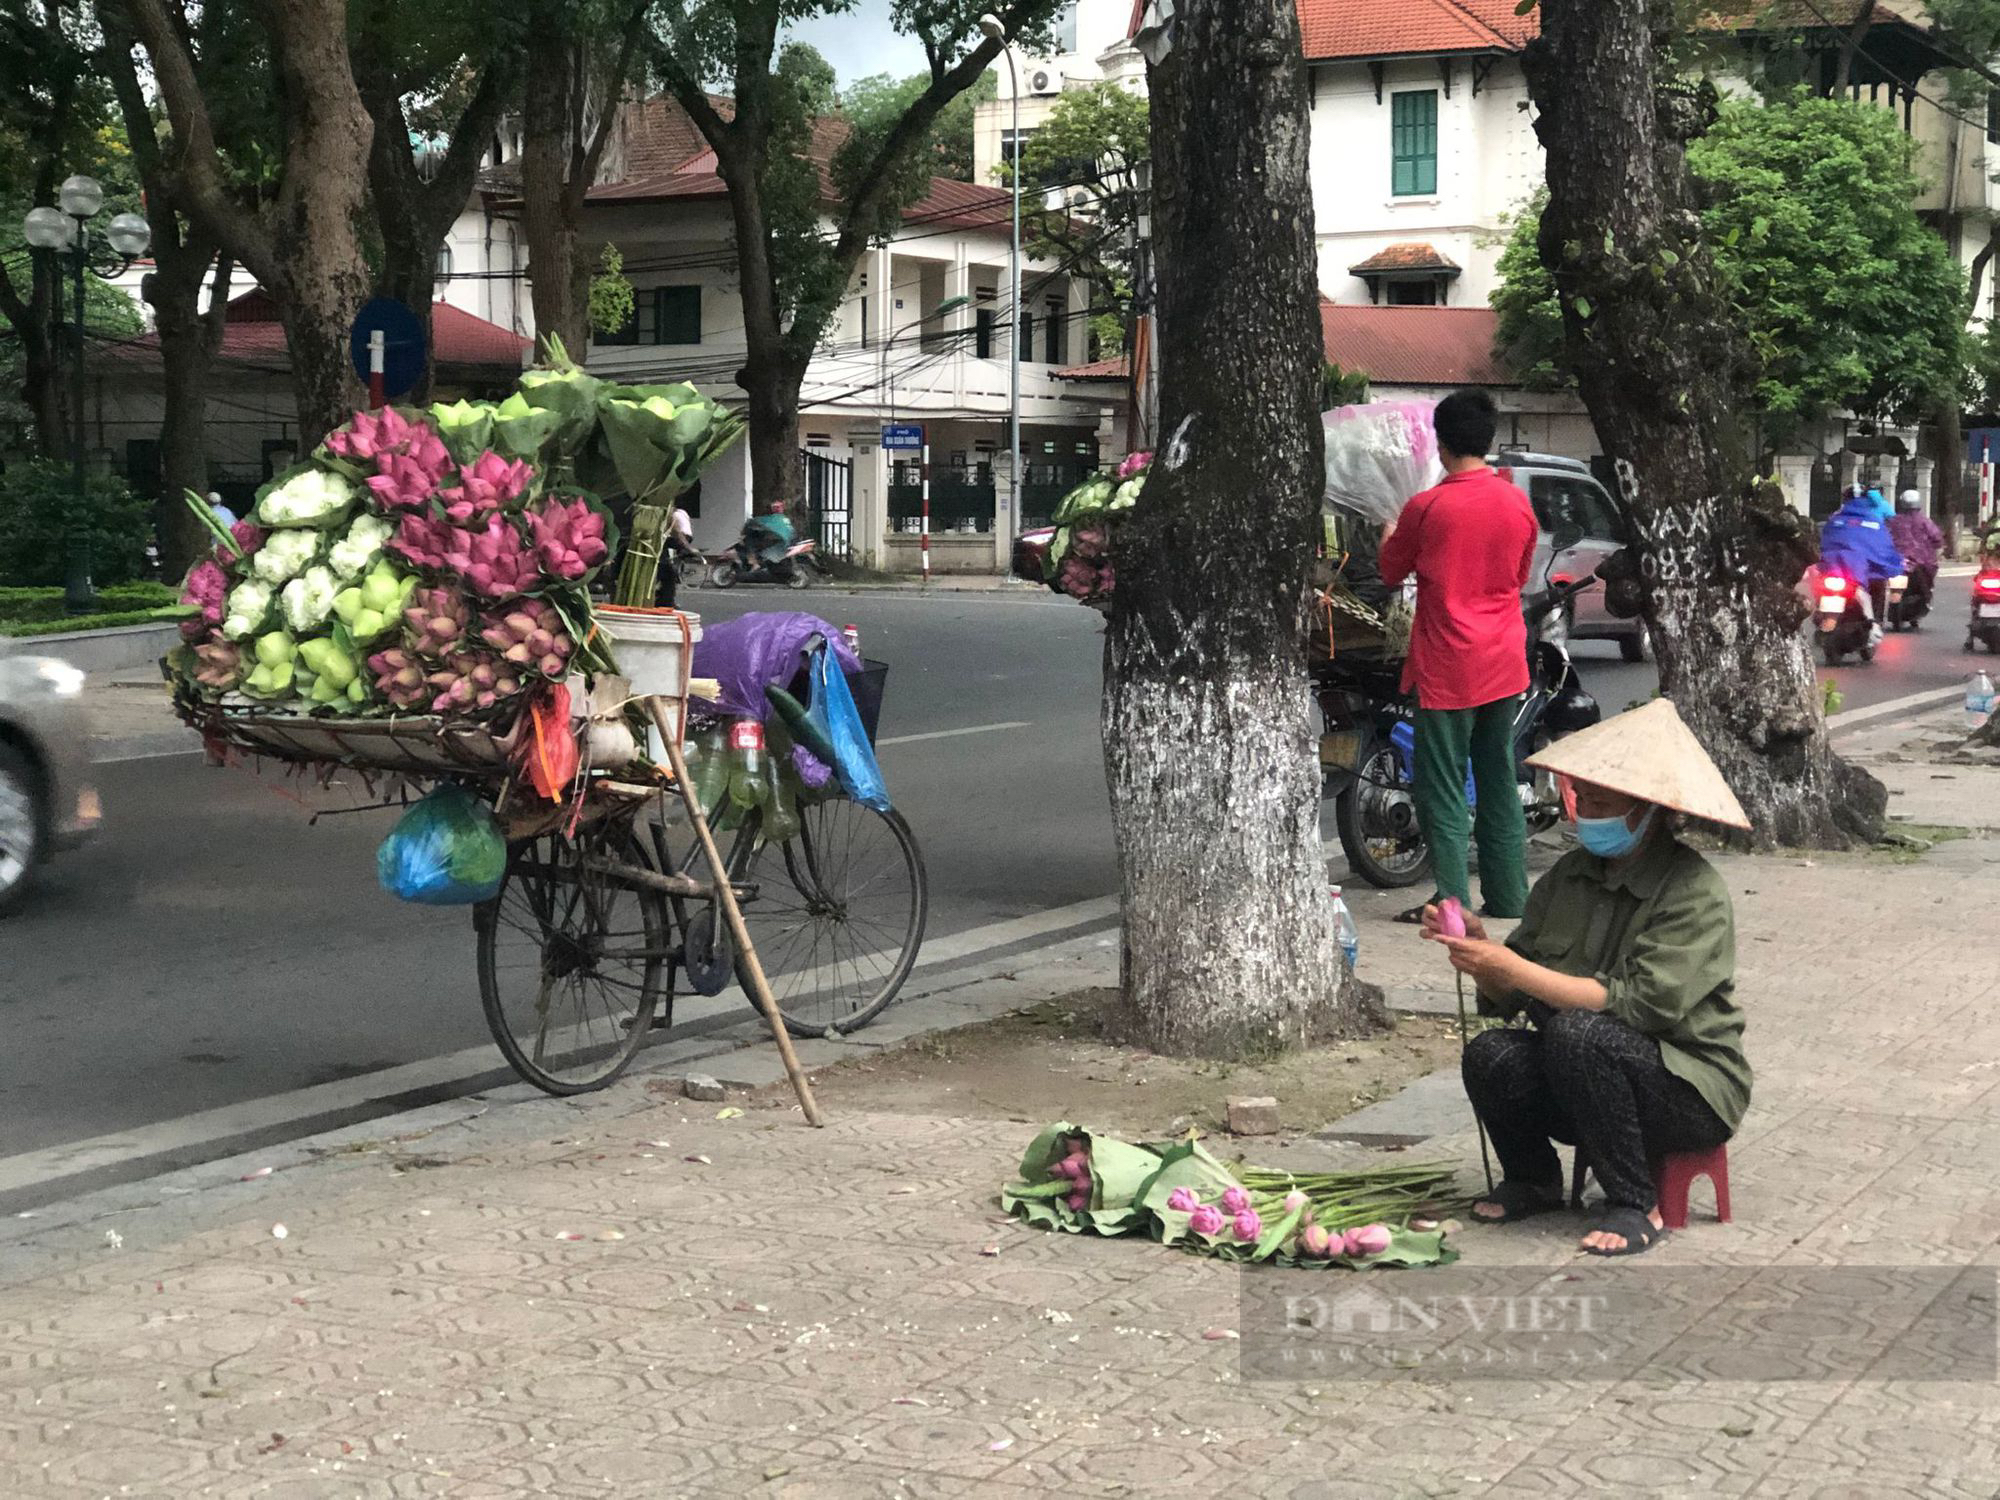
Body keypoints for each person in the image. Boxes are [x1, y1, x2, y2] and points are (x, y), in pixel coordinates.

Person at [1426, 698, 1753, 1257]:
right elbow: (1515, 988)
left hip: (1688, 1089)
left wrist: (1515, 967)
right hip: (1583, 1073)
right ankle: (1533, 1179)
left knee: (1581, 1032)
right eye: (1584, 800)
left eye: (1604, 803)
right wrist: (1482, 956)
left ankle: (1635, 1201)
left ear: (1648, 812)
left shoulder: (1693, 892)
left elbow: (1639, 1007)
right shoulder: (1567, 877)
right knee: (1492, 1053)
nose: (1588, 815)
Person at [1377, 388, 1539, 921]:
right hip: (1504, 658)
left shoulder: (1427, 507)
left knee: (1442, 784)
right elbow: (1517, 577)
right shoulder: (1517, 501)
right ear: (1488, 441)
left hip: (1447, 663)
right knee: (1498, 778)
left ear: (1441, 446)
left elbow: (1388, 570)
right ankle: (1510, 897)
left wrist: (1387, 530)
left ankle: (1451, 902)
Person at [1818, 485, 1905, 646]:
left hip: (1834, 570)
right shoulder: (1874, 522)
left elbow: (1823, 543)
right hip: (1859, 574)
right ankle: (1875, 622)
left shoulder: (1834, 520)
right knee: (1878, 585)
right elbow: (1884, 549)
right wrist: (1894, 562)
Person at [1887, 490, 1943, 616]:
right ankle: (1926, 599)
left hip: (1897, 560)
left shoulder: (1894, 521)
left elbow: (1884, 537)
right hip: (1922, 561)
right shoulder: (1924, 521)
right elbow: (1937, 537)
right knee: (1928, 580)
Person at [745, 500, 796, 568]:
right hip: (785, 551)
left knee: (751, 534)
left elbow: (752, 522)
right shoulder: (785, 520)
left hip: (773, 551)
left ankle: (752, 558)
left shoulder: (773, 518)